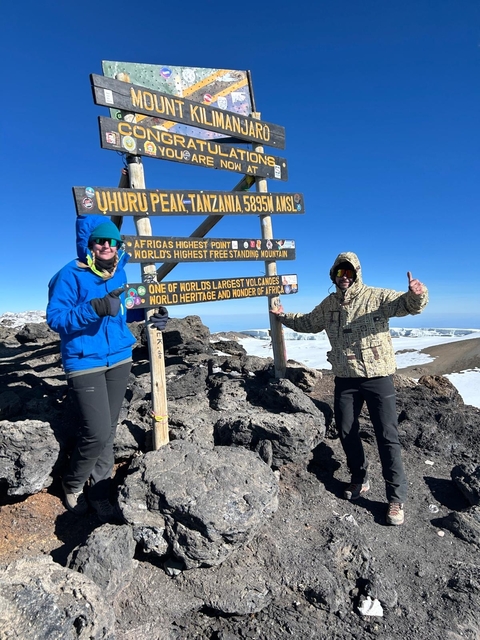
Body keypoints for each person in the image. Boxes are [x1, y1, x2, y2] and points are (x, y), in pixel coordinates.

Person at [271, 251, 428, 526]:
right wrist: (284, 317)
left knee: (387, 436)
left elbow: (407, 306)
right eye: (339, 273)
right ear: (333, 275)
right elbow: (308, 322)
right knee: (346, 429)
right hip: (344, 378)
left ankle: (396, 498)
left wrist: (416, 294)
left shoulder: (376, 297)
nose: (344, 277)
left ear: (356, 274)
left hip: (377, 377)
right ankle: (360, 479)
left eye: (349, 272)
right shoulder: (329, 303)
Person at [47, 214, 169, 523]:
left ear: (118, 245)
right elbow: (56, 319)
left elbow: (122, 313)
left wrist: (151, 315)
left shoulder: (120, 274)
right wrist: (94, 308)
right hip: (84, 361)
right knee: (97, 431)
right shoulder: (70, 275)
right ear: (90, 245)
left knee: (109, 428)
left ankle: (100, 490)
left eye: (112, 241)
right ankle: (72, 483)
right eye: (100, 240)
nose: (106, 245)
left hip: (119, 358)